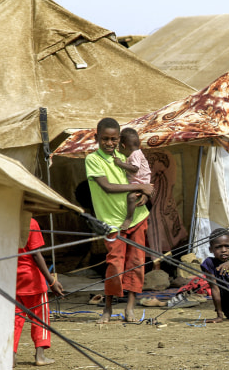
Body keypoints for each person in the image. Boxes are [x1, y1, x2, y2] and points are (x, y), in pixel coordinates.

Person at [85, 117, 153, 324]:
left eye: (114, 139)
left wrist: (146, 193)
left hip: (137, 219)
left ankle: (130, 308)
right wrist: (140, 188)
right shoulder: (93, 160)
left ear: (119, 140)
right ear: (96, 138)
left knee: (136, 263)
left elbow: (141, 178)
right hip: (113, 222)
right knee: (114, 265)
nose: (109, 143)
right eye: (105, 139)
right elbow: (107, 186)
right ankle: (108, 308)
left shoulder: (126, 154)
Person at [14, 218, 64, 367]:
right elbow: (36, 254)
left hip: (11, 278)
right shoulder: (30, 222)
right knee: (39, 317)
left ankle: (10, 357)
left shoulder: (2, 219)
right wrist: (52, 281)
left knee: (14, 319)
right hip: (32, 279)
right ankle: (40, 356)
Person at [113, 128, 151, 231]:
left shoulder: (135, 154)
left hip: (141, 182)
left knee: (131, 197)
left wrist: (120, 164)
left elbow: (135, 169)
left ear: (123, 145)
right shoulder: (134, 153)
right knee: (132, 197)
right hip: (140, 182)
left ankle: (129, 218)